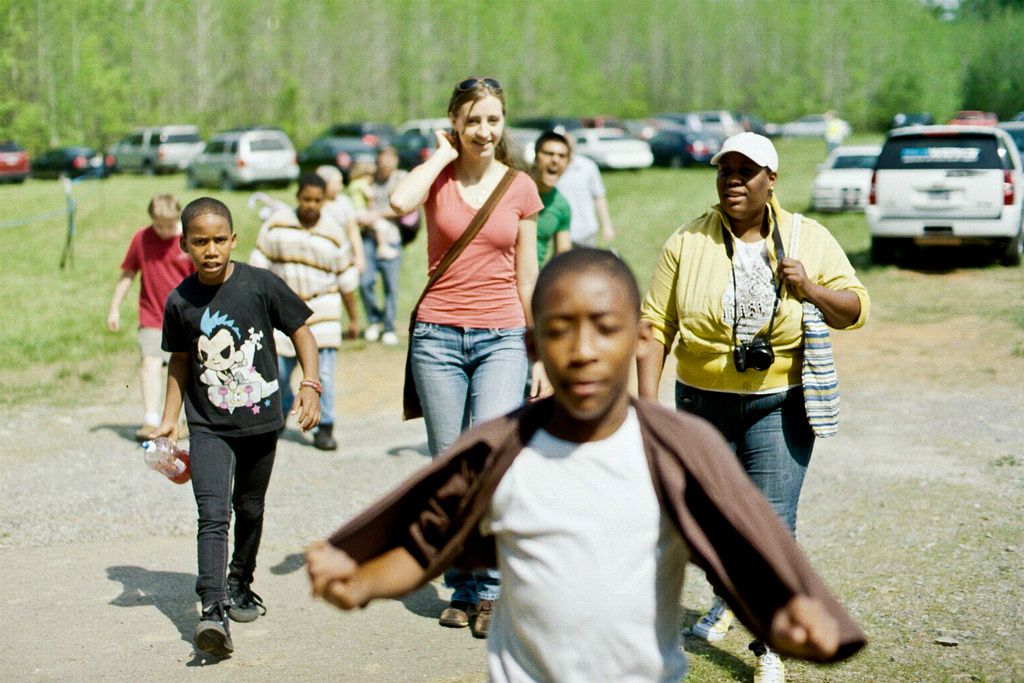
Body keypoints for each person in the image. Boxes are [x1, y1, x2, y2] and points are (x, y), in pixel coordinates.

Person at [306, 249, 866, 682]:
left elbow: (738, 550)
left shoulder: (674, 451)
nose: (582, 350)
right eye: (558, 330)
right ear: (532, 346)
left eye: (605, 327)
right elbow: (428, 541)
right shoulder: (502, 451)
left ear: (642, 339)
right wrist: (362, 582)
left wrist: (785, 616)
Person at [636, 132, 870, 682]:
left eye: (746, 172)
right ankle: (729, 598)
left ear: (772, 179)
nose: (733, 181)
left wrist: (810, 288)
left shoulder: (806, 238)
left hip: (779, 403)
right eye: (725, 171)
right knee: (715, 521)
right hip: (700, 403)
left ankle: (766, 642)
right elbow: (654, 327)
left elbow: (855, 307)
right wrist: (647, 411)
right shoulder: (687, 241)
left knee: (771, 524)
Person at [387, 76, 546, 637]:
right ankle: (462, 586)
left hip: (502, 336)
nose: (484, 131)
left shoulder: (521, 188)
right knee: (448, 466)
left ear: (504, 124)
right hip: (436, 339)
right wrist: (439, 155)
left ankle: (493, 593)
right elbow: (397, 202)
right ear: (455, 122)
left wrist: (540, 355)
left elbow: (528, 277)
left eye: (493, 120)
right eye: (473, 120)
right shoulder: (437, 179)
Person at [152, 197, 321, 657]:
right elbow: (180, 360)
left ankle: (240, 582)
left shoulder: (261, 285)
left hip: (262, 424)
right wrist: (169, 419)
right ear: (184, 244)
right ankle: (212, 610)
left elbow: (302, 330)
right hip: (207, 426)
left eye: (219, 240)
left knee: (249, 507)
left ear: (233, 240)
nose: (210, 250)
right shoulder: (180, 300)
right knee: (213, 514)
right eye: (200, 242)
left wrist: (310, 384)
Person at [249, 173, 345, 451]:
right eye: (306, 199)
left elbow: (346, 277)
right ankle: (281, 412)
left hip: (322, 309)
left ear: (324, 200)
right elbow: (259, 266)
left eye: (317, 200)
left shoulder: (333, 232)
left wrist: (351, 316)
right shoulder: (276, 225)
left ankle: (324, 426)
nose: (311, 205)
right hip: (282, 310)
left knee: (322, 373)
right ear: (297, 197)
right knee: (278, 370)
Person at [106, 194, 195, 441]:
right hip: (153, 314)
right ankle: (151, 419)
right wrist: (114, 308)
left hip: (185, 317)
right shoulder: (142, 239)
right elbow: (128, 274)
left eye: (169, 225)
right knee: (150, 363)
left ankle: (186, 419)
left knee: (187, 367)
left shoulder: (187, 240)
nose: (164, 231)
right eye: (159, 226)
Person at [356, 146, 408, 346]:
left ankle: (389, 326)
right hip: (368, 238)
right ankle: (373, 320)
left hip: (391, 238)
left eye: (388, 162)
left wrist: (377, 214)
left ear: (395, 161)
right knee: (365, 281)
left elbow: (404, 206)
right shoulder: (369, 179)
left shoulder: (401, 178)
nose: (383, 166)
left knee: (390, 286)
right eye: (380, 162)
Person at [315, 165, 366, 341]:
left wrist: (359, 256)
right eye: (337, 182)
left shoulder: (343, 202)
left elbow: (352, 231)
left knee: (348, 291)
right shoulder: (315, 203)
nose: (341, 185)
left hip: (343, 258)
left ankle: (353, 322)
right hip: (321, 259)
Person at [556, 138, 615, 247]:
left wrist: (607, 225)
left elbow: (599, 197)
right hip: (561, 232)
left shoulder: (587, 166)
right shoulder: (554, 169)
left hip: (586, 230)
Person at [530, 130, 572, 266]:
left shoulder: (562, 206)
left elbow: (563, 257)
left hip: (532, 284)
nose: (555, 160)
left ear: (568, 163)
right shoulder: (512, 189)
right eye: (548, 154)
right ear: (536, 157)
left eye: (562, 156)